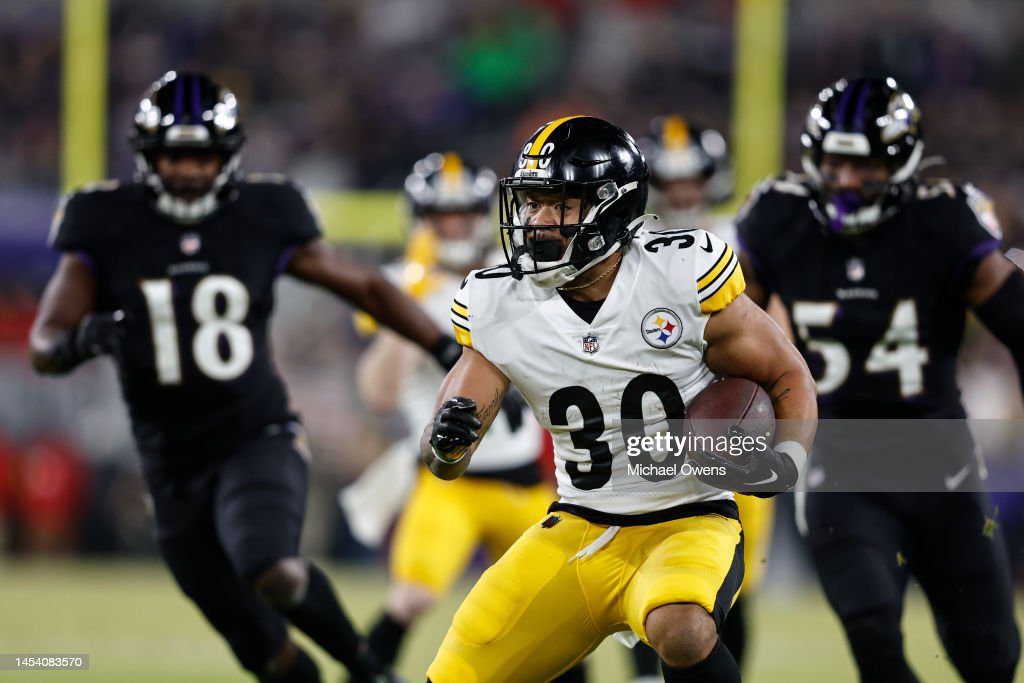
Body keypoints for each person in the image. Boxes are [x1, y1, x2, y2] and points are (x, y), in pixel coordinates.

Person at [28, 70, 463, 683]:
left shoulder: (264, 210)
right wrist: (78, 341)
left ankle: (369, 670)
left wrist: (445, 347)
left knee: (273, 568)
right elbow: (44, 343)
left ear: (227, 156)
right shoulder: (104, 219)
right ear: (146, 158)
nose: (188, 172)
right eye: (174, 157)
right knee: (258, 646)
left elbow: (364, 285)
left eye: (202, 156)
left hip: (254, 436)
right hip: (169, 465)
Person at [421, 115, 818, 683]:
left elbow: (787, 374)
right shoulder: (496, 301)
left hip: (689, 517)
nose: (536, 221)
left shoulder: (678, 274)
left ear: (609, 207)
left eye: (557, 204)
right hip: (578, 525)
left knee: (680, 625)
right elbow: (445, 461)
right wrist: (448, 442)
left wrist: (788, 463)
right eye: (531, 204)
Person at [736, 76, 1022, 682]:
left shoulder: (943, 221)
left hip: (941, 465)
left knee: (991, 657)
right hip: (840, 465)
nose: (844, 179)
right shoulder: (778, 217)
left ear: (901, 161)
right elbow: (732, 333)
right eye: (833, 161)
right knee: (871, 629)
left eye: (862, 163)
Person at [345, 152, 566, 677]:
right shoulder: (401, 283)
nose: (454, 226)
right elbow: (377, 393)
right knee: (413, 597)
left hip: (525, 481)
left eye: (463, 214)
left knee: (557, 610)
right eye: (441, 216)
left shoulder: (519, 276)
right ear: (418, 219)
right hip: (448, 482)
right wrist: (412, 301)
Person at [642, 114, 772, 674]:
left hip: (732, 422)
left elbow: (775, 335)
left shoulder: (738, 239)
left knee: (731, 572)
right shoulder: (627, 245)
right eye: (669, 183)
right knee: (645, 560)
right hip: (650, 420)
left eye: (690, 179)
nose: (680, 194)